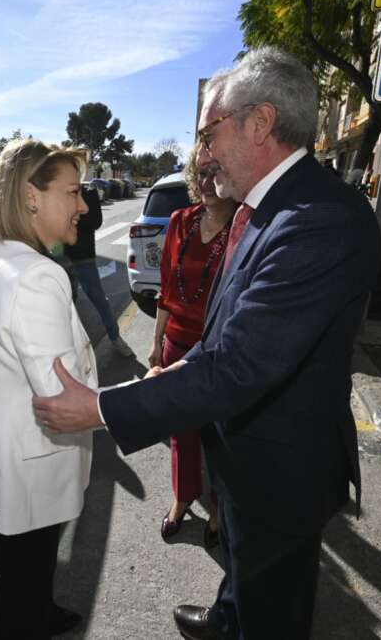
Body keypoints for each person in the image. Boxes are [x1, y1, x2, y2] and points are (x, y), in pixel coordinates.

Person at [32, 46, 381, 639]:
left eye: (209, 133)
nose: (203, 154)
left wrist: (100, 408)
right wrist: (177, 367)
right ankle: (227, 617)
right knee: (245, 565)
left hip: (281, 469)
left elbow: (242, 365)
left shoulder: (316, 219)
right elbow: (227, 329)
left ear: (260, 123)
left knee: (272, 606)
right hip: (247, 457)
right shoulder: (266, 208)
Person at [0, 139, 94, 639]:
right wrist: (149, 393)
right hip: (27, 466)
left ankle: (41, 612)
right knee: (20, 591)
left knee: (24, 572)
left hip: (5, 457)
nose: (83, 206)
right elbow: (64, 398)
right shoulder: (36, 275)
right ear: (32, 195)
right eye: (73, 192)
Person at [148, 146, 235, 547]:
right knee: (182, 433)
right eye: (200, 173)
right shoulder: (180, 220)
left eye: (215, 171)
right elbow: (166, 288)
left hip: (219, 350)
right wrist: (156, 345)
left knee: (218, 435)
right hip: (176, 343)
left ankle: (218, 508)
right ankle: (183, 499)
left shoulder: (244, 225)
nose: (207, 182)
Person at [64, 181, 134, 356]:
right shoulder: (58, 192)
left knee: (99, 300)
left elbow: (96, 221)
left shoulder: (89, 193)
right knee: (64, 304)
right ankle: (70, 346)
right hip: (60, 257)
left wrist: (72, 217)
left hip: (83, 257)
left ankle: (115, 337)